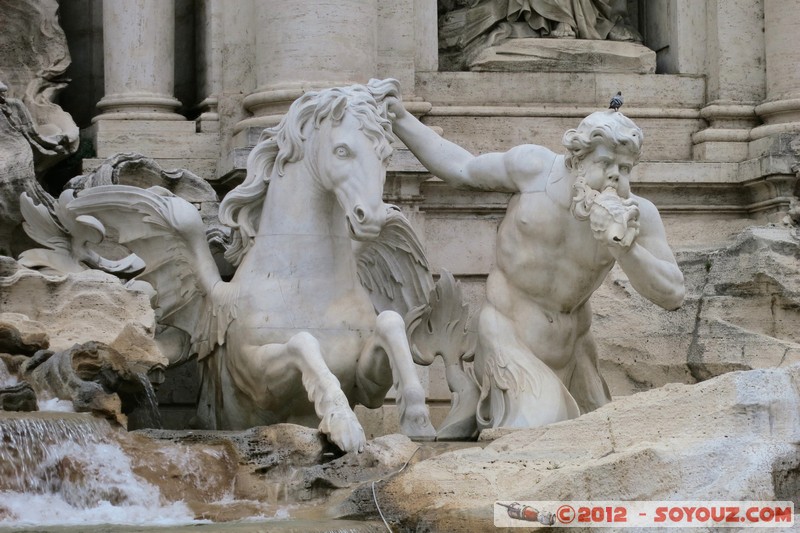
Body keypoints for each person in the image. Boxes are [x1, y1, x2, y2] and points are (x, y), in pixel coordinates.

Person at [387, 99, 685, 429]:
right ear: (577, 159)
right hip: (507, 335)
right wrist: (400, 118)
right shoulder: (533, 170)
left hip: (573, 350)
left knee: (597, 439)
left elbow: (672, 293)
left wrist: (625, 250)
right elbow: (461, 168)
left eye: (625, 168)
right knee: (541, 432)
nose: (615, 176)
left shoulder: (636, 216)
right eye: (606, 163)